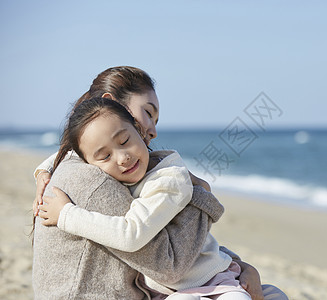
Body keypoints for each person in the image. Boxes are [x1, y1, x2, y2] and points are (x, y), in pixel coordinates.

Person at [32, 66, 288, 300]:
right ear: (110, 103)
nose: (153, 130)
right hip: (174, 285)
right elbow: (167, 262)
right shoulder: (96, 178)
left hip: (194, 280)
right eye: (148, 113)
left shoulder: (149, 172)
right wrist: (44, 174)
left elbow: (172, 240)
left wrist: (238, 264)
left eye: (155, 120)